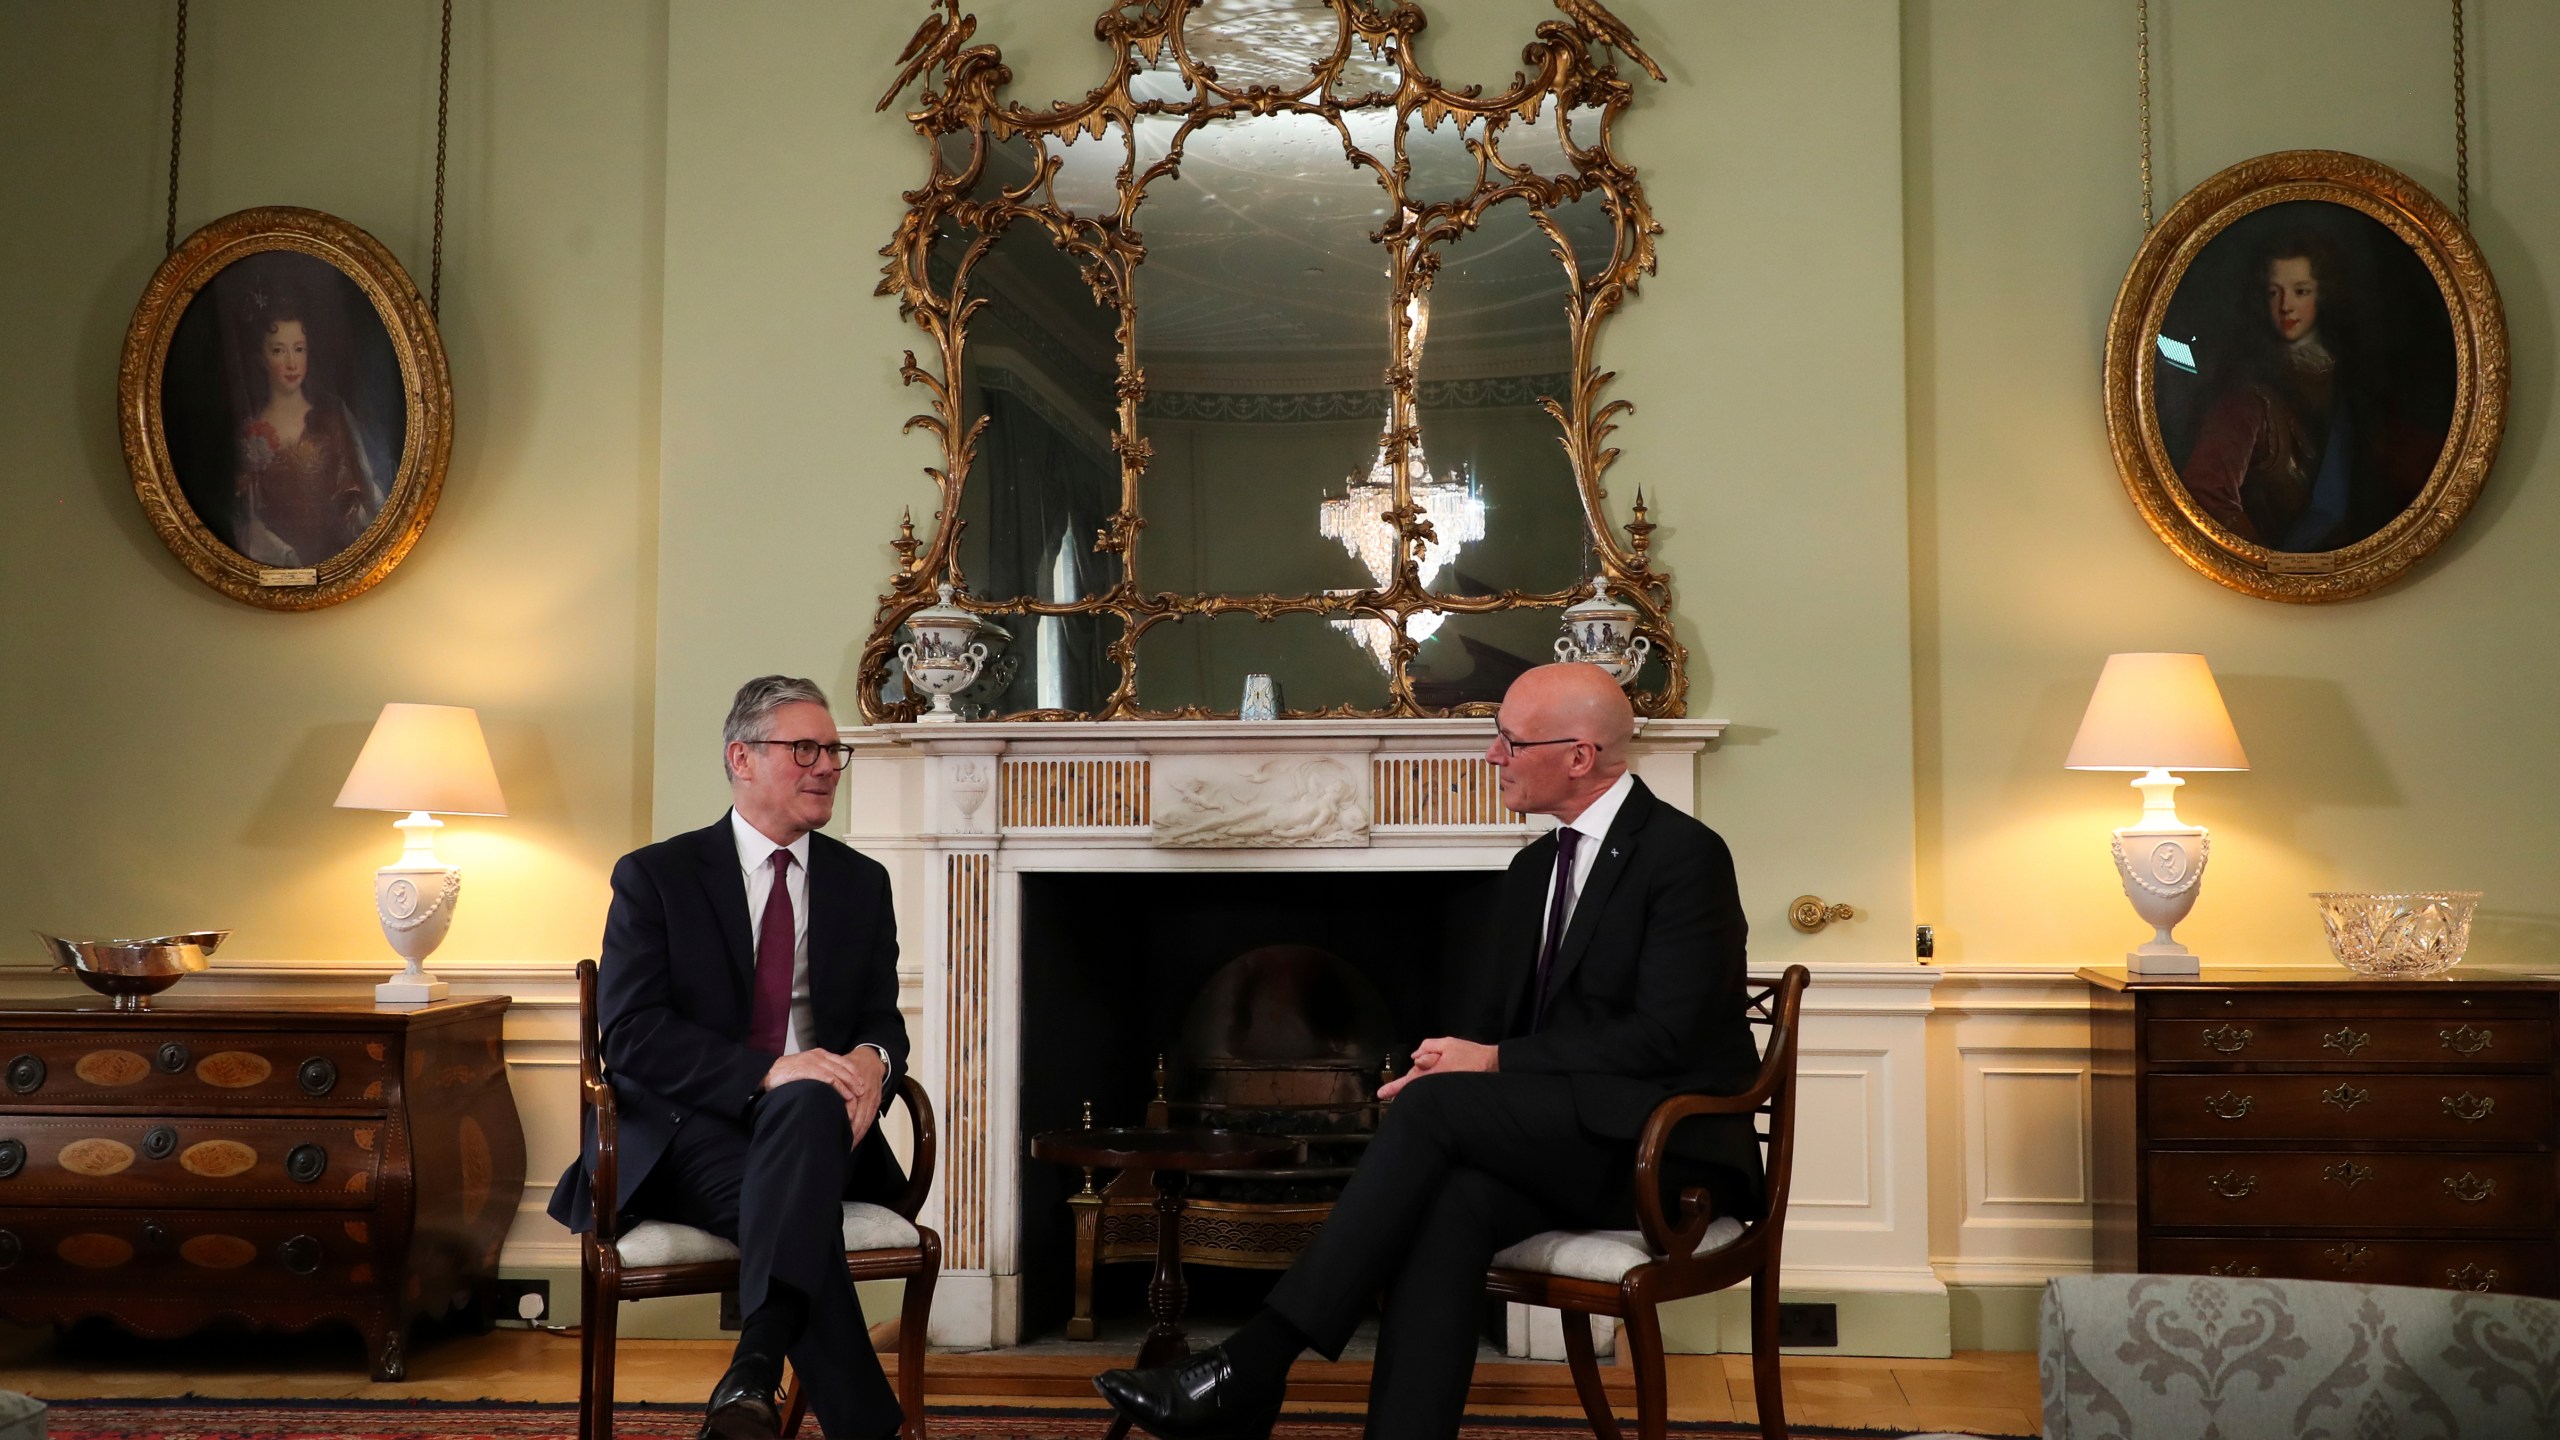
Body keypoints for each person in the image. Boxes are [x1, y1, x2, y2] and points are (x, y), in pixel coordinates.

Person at [1096, 662, 1758, 1440]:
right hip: (1566, 1139)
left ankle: (1255, 1364)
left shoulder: (1684, 857)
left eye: (1510, 741)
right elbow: (1490, 1029)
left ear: (1579, 755)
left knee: (1443, 1113)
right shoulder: (1532, 870)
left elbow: (1663, 1037)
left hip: (1661, 1150)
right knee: (1449, 1202)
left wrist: (1493, 1067)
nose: (1492, 757)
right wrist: (1446, 1060)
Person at [548, 676, 911, 1440]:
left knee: (812, 1101)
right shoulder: (657, 877)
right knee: (798, 1168)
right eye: (803, 749)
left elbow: (881, 1017)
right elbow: (634, 1033)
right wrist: (770, 1070)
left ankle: (753, 1370)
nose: (826, 767)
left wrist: (876, 1060)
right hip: (689, 1132)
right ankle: (846, 1412)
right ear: (740, 758)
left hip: (820, 1129)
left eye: (834, 751)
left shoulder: (861, 883)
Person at [2177, 230, 2438, 553]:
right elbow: (2206, 492)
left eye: (2301, 291)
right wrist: (2268, 562)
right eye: (2274, 293)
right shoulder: (2248, 399)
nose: (2286, 306)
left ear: (2324, 295)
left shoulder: (2353, 378)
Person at [228, 297, 386, 566]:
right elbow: (248, 515)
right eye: (278, 351)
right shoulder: (250, 427)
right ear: (261, 358)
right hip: (275, 562)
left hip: (335, 556)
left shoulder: (330, 417)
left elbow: (357, 489)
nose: (291, 362)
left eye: (299, 349)